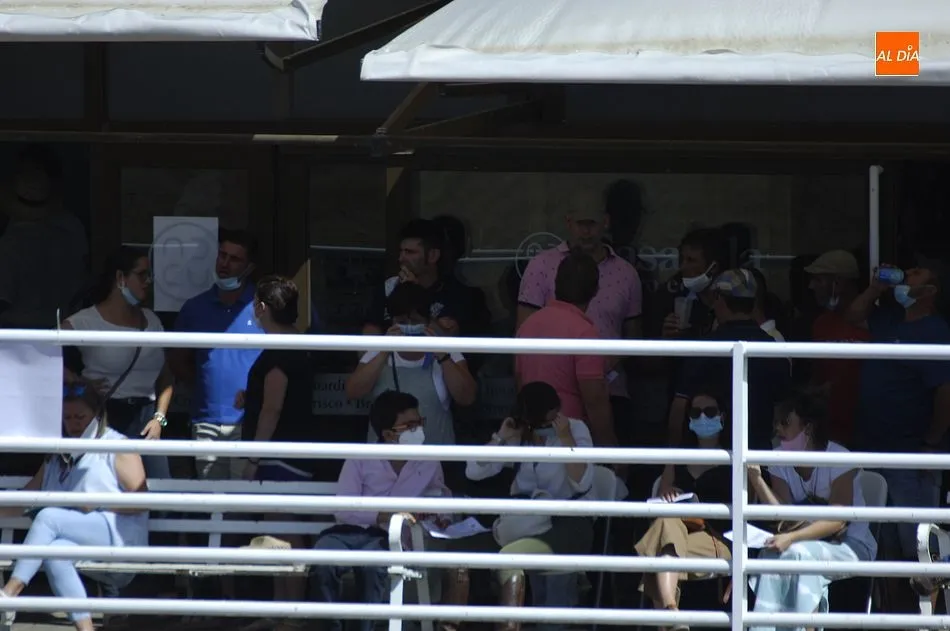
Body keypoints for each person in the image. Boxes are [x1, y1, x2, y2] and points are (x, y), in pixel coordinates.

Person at [0, 379, 148, 631]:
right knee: (56, 554)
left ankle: (10, 593)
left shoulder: (117, 444)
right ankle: (85, 629)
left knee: (48, 516)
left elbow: (141, 500)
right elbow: (27, 499)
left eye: (80, 417)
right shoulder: (57, 453)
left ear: (96, 414)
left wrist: (97, 503)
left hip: (120, 535)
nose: (74, 423)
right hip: (81, 539)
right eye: (67, 418)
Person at [455, 382, 596, 631]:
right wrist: (501, 438)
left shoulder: (575, 429)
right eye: (540, 425)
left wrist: (565, 438)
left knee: (546, 588)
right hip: (524, 521)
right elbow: (474, 471)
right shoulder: (522, 435)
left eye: (550, 422)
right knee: (460, 553)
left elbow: (582, 482)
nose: (545, 430)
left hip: (568, 521)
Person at [310, 390, 452, 631]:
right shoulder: (360, 458)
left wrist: (443, 517)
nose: (418, 429)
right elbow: (343, 508)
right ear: (388, 434)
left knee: (373, 567)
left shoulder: (429, 461)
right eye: (410, 426)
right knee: (322, 561)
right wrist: (382, 515)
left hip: (388, 538)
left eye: (420, 422)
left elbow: (440, 495)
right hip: (347, 532)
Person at [517, 188, 643, 449]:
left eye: (592, 224)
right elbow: (522, 341)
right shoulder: (542, 266)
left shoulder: (626, 273)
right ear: (568, 222)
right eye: (580, 224)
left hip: (612, 391)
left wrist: (608, 359)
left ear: (605, 222)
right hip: (551, 398)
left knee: (606, 467)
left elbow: (634, 337)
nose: (586, 232)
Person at [747, 388, 877, 628]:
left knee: (799, 555)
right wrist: (757, 480)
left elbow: (838, 520)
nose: (778, 429)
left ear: (808, 428)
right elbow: (782, 514)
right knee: (772, 555)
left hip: (851, 544)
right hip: (801, 541)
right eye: (776, 423)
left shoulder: (840, 457)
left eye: (785, 423)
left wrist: (792, 538)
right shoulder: (779, 457)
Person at [847, 265, 950, 562]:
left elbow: (946, 392)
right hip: (870, 446)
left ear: (930, 290)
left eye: (915, 273)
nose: (906, 276)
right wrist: (874, 289)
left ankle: (921, 594)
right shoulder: (889, 318)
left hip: (908, 452)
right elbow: (852, 316)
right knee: (878, 539)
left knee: (917, 544)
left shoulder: (936, 330)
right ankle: (889, 593)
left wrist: (931, 441)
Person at [659, 269, 789, 495]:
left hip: (705, 465)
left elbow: (680, 407)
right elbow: (782, 413)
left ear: (719, 299)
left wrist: (675, 458)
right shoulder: (774, 351)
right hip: (758, 462)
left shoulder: (705, 349)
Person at [62, 246, 173, 479]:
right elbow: (40, 352)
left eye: (149, 275)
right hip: (106, 414)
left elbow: (165, 374)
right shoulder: (85, 321)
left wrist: (159, 418)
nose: (148, 281)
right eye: (141, 275)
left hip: (146, 419)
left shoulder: (152, 320)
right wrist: (77, 381)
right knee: (102, 483)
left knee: (159, 485)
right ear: (120, 278)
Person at [170, 228, 263, 481]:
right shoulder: (194, 308)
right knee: (210, 498)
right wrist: (204, 384)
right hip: (206, 421)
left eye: (234, 259)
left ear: (249, 267)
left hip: (249, 421)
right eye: (222, 255)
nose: (225, 264)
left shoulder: (262, 308)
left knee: (243, 500)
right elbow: (177, 361)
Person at [635, 387, 732, 617]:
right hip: (678, 530)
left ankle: (669, 619)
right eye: (696, 412)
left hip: (717, 537)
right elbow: (660, 498)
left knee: (659, 547)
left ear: (723, 416)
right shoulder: (678, 456)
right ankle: (671, 611)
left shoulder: (734, 457)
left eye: (710, 411)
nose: (703, 417)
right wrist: (669, 494)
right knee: (666, 525)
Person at [346, 281, 476, 447]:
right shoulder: (376, 352)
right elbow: (353, 392)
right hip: (384, 460)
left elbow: (467, 397)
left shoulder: (448, 353)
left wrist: (442, 355)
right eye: (401, 321)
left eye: (415, 321)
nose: (408, 327)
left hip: (435, 457)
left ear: (427, 322)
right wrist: (384, 351)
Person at [516, 251, 617, 447]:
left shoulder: (527, 326)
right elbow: (595, 401)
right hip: (569, 437)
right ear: (596, 289)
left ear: (556, 285)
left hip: (533, 438)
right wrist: (610, 450)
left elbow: (520, 384)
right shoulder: (584, 333)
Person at [0, 144, 88, 330]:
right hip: (60, 328)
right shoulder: (71, 234)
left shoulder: (9, 244)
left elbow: (3, 298)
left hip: (16, 334)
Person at [362, 218, 475, 338]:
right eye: (401, 252)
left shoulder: (456, 295)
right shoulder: (387, 288)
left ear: (432, 256)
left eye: (410, 252)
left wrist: (417, 294)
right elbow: (367, 340)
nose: (401, 259)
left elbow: (451, 339)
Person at [804, 250, 869, 447]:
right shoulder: (821, 323)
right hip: (830, 433)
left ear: (838, 283)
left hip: (869, 429)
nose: (811, 286)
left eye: (818, 280)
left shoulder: (876, 323)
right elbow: (817, 374)